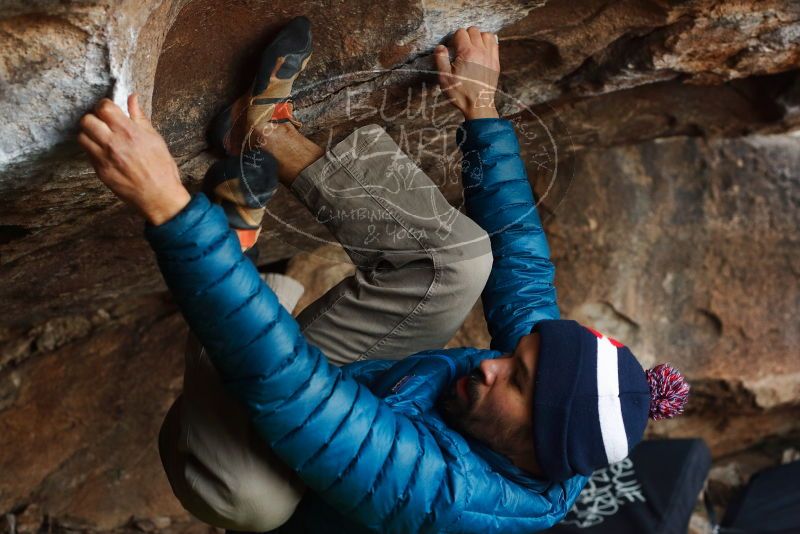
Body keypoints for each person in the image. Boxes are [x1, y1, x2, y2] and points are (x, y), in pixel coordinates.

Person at [77, 18, 690, 533]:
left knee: (246, 499)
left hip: (283, 457)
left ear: (536, 448)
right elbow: (521, 267)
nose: (491, 361)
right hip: (357, 395)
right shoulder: (560, 411)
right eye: (518, 356)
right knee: (461, 259)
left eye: (516, 382)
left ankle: (231, 239)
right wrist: (482, 108)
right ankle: (261, 132)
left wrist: (170, 208)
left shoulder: (450, 494)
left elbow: (296, 394)